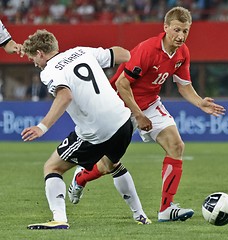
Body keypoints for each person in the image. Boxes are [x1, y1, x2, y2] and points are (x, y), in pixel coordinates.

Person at [69, 6, 226, 222]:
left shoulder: (182, 53)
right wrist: (138, 115)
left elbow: (184, 86)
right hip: (119, 106)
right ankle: (81, 178)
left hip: (150, 103)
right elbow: (123, 84)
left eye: (185, 31)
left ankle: (166, 209)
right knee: (107, 165)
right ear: (166, 28)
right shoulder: (147, 50)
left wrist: (200, 103)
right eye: (177, 30)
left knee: (176, 146)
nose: (181, 36)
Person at [21, 29, 151, 230]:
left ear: (40, 53)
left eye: (33, 59)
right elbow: (124, 54)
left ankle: (59, 219)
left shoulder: (49, 71)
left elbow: (65, 97)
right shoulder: (81, 51)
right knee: (113, 164)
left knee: (52, 167)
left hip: (96, 130)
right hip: (124, 121)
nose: (35, 63)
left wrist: (42, 127)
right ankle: (141, 216)